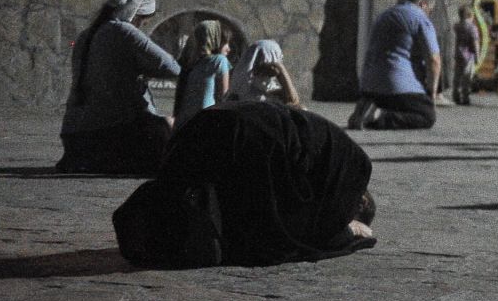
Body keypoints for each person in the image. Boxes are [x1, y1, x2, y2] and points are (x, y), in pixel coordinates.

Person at [114, 102, 375, 267]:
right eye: (347, 211)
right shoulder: (351, 166)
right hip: (242, 139)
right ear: (359, 201)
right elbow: (298, 230)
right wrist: (346, 233)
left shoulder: (336, 154)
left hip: (206, 126)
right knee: (257, 236)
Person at [59, 0, 181, 176]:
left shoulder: (86, 35)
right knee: (164, 128)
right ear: (135, 14)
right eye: (143, 20)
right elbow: (172, 68)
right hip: (111, 131)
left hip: (74, 135)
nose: (141, 26)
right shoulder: (122, 30)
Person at [347, 0, 444, 131]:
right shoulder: (419, 18)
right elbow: (434, 60)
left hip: (368, 85)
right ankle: (377, 116)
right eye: (430, 11)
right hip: (397, 86)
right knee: (426, 115)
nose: (429, 15)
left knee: (396, 102)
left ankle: (367, 109)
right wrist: (431, 93)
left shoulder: (385, 15)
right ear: (422, 4)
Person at [172, 19, 233, 127]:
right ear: (215, 40)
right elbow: (224, 99)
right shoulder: (219, 61)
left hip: (184, 125)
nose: (229, 49)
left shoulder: (190, 65)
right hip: (205, 123)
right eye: (225, 43)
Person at [224, 39, 302, 109]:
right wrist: (281, 70)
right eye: (276, 58)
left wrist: (281, 69)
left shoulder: (270, 88)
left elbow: (293, 100)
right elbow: (293, 102)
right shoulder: (245, 91)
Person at [452, 7, 482, 105]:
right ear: (470, 15)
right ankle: (465, 97)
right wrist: (477, 56)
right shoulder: (472, 27)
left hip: (458, 53)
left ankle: (455, 94)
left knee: (457, 75)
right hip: (468, 55)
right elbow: (475, 42)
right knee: (467, 76)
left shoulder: (457, 26)